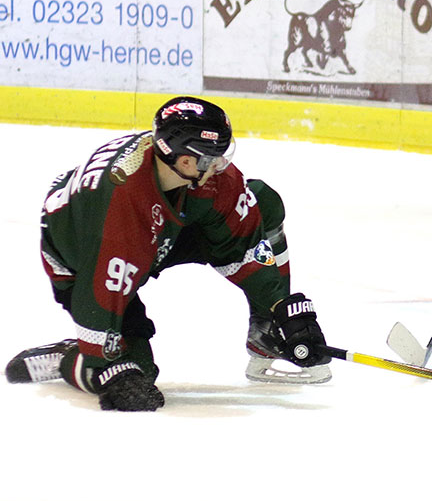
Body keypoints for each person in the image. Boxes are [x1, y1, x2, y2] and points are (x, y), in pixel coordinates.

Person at [5, 97, 332, 411]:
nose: (221, 164)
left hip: (154, 234)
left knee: (262, 202)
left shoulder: (194, 175)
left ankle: (266, 333)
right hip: (82, 261)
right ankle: (66, 358)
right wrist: (106, 367)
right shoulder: (120, 209)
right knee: (134, 373)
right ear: (186, 160)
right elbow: (97, 300)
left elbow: (242, 242)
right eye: (213, 157)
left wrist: (279, 308)